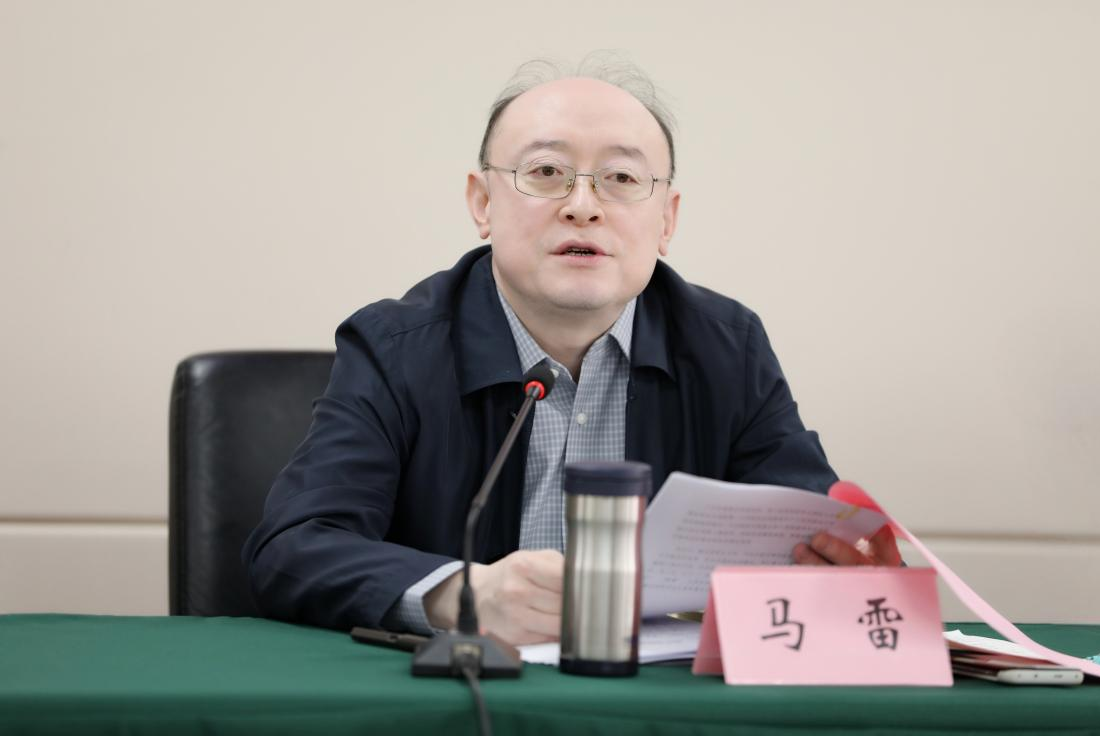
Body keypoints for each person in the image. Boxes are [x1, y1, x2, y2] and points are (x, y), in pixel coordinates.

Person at [243, 58, 901, 646]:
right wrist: (464, 595)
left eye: (621, 177)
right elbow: (294, 548)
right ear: (482, 203)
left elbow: (814, 529)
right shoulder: (396, 348)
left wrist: (848, 566)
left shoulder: (727, 348)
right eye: (546, 173)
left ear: (667, 219)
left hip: (656, 699)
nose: (583, 206)